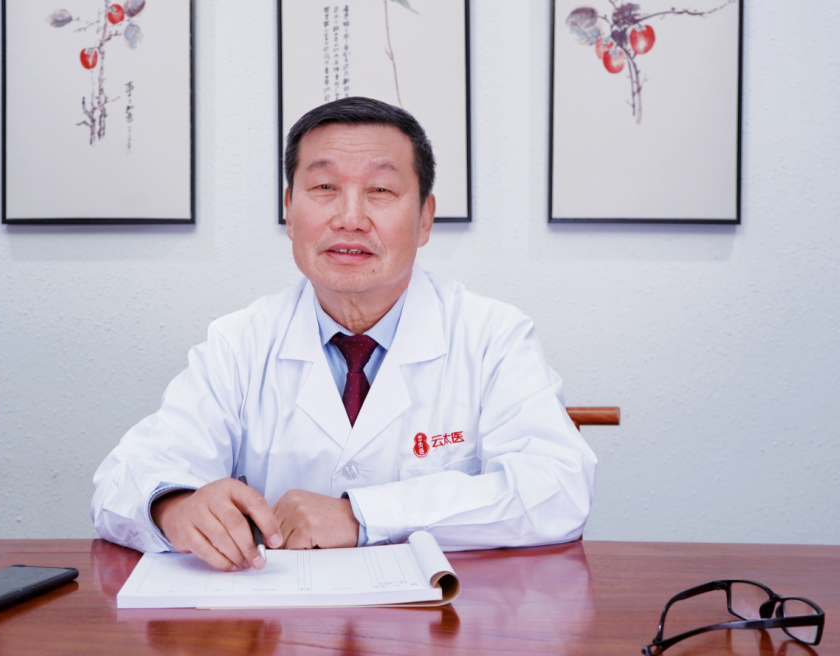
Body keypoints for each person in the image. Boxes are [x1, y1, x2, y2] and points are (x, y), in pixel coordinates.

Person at [91, 97, 597, 572]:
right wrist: (174, 506)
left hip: (442, 617)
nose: (350, 219)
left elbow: (557, 490)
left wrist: (362, 516)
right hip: (281, 620)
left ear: (425, 218)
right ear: (290, 211)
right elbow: (122, 479)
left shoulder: (492, 337)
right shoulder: (240, 343)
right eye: (324, 188)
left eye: (381, 191)